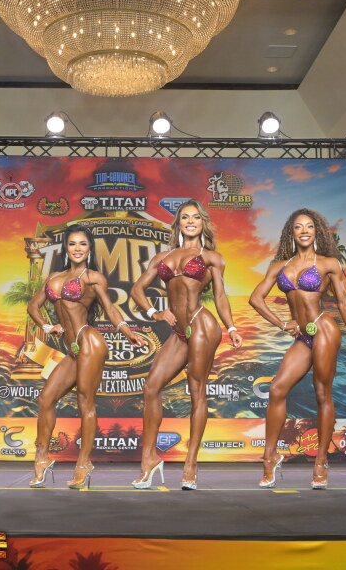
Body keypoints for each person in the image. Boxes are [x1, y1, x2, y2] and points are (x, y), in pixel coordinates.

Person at [130, 199, 242, 490]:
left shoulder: (212, 258)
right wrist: (154, 313)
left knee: (196, 390)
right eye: (185, 217)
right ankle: (149, 459)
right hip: (179, 331)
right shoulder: (163, 257)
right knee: (151, 386)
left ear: (203, 223)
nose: (190, 222)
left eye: (195, 217)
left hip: (202, 325)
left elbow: (220, 296)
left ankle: (191, 464)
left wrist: (231, 327)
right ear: (178, 224)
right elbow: (137, 289)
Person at [249, 208, 346, 490]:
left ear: (316, 232)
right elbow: (255, 298)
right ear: (291, 232)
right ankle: (270, 457)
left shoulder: (328, 263)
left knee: (322, 392)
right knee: (277, 389)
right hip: (302, 336)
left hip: (324, 329)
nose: (304, 231)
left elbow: (343, 301)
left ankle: (321, 461)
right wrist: (281, 323)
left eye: (309, 226)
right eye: (298, 227)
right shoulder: (279, 266)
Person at [28, 224, 144, 489]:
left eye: (83, 244)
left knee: (85, 401)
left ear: (89, 248)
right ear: (66, 248)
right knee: (45, 398)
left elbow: (110, 308)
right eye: (72, 244)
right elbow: (33, 306)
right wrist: (48, 326)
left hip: (89, 341)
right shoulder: (55, 277)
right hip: (72, 349)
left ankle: (83, 463)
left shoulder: (93, 278)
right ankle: (42, 457)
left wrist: (127, 332)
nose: (77, 248)